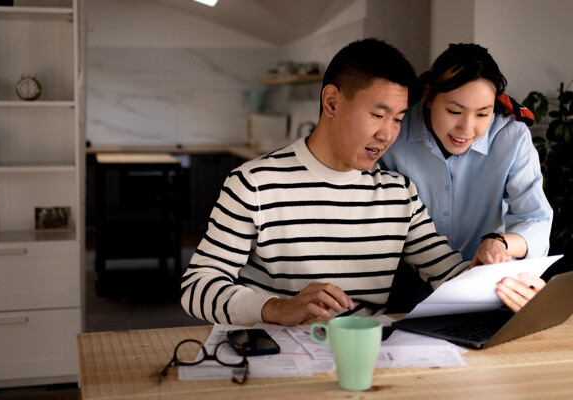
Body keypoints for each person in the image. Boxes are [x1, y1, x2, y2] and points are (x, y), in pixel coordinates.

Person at [181, 39, 542, 327]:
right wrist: (276, 308)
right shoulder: (254, 183)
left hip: (368, 362)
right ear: (332, 102)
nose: (388, 134)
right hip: (274, 357)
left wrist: (507, 286)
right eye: (377, 114)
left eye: (399, 119)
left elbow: (449, 274)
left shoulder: (399, 193)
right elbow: (197, 287)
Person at [381, 43, 552, 309]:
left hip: (483, 283)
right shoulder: (395, 132)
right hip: (404, 282)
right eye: (454, 112)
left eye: (483, 114)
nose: (466, 129)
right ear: (428, 96)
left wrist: (500, 244)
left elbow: (535, 219)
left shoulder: (512, 138)